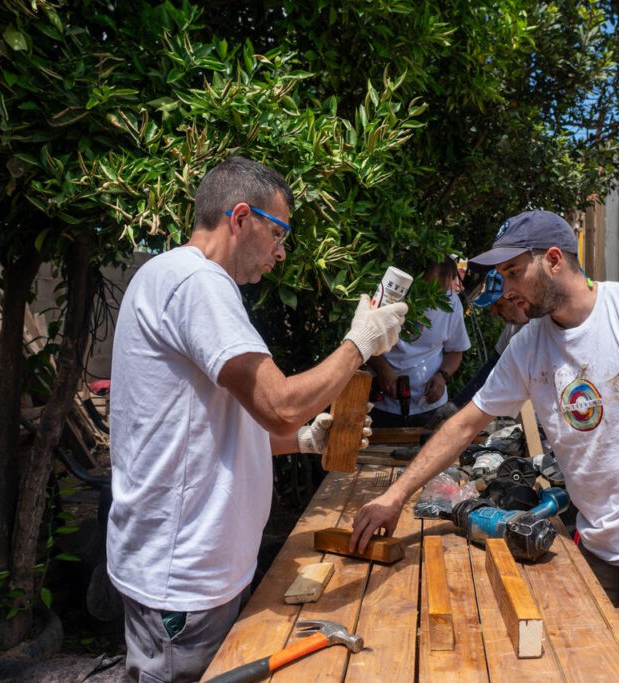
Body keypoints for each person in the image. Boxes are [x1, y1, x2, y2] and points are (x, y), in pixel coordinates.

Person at [352, 210, 619, 682]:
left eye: (513, 272)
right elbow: (465, 424)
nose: (506, 287)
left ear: (554, 260)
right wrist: (395, 497)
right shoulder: (530, 344)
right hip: (598, 544)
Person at [107, 157, 408, 682]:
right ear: (240, 217)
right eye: (278, 232)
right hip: (184, 580)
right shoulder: (197, 281)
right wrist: (360, 344)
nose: (281, 252)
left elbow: (211, 432)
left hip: (195, 571)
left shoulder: (170, 277)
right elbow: (281, 404)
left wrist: (305, 441)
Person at [368, 258, 471, 427]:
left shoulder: (451, 302)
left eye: (440, 290)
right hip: (381, 406)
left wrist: (442, 375)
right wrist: (383, 370)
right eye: (428, 288)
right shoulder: (390, 295)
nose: (434, 296)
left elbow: (455, 351)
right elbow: (364, 339)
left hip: (430, 408)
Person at [448, 268, 530, 408]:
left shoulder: (544, 326)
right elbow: (492, 368)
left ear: (517, 299)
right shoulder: (512, 328)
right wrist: (455, 405)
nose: (494, 311)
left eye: (499, 305)